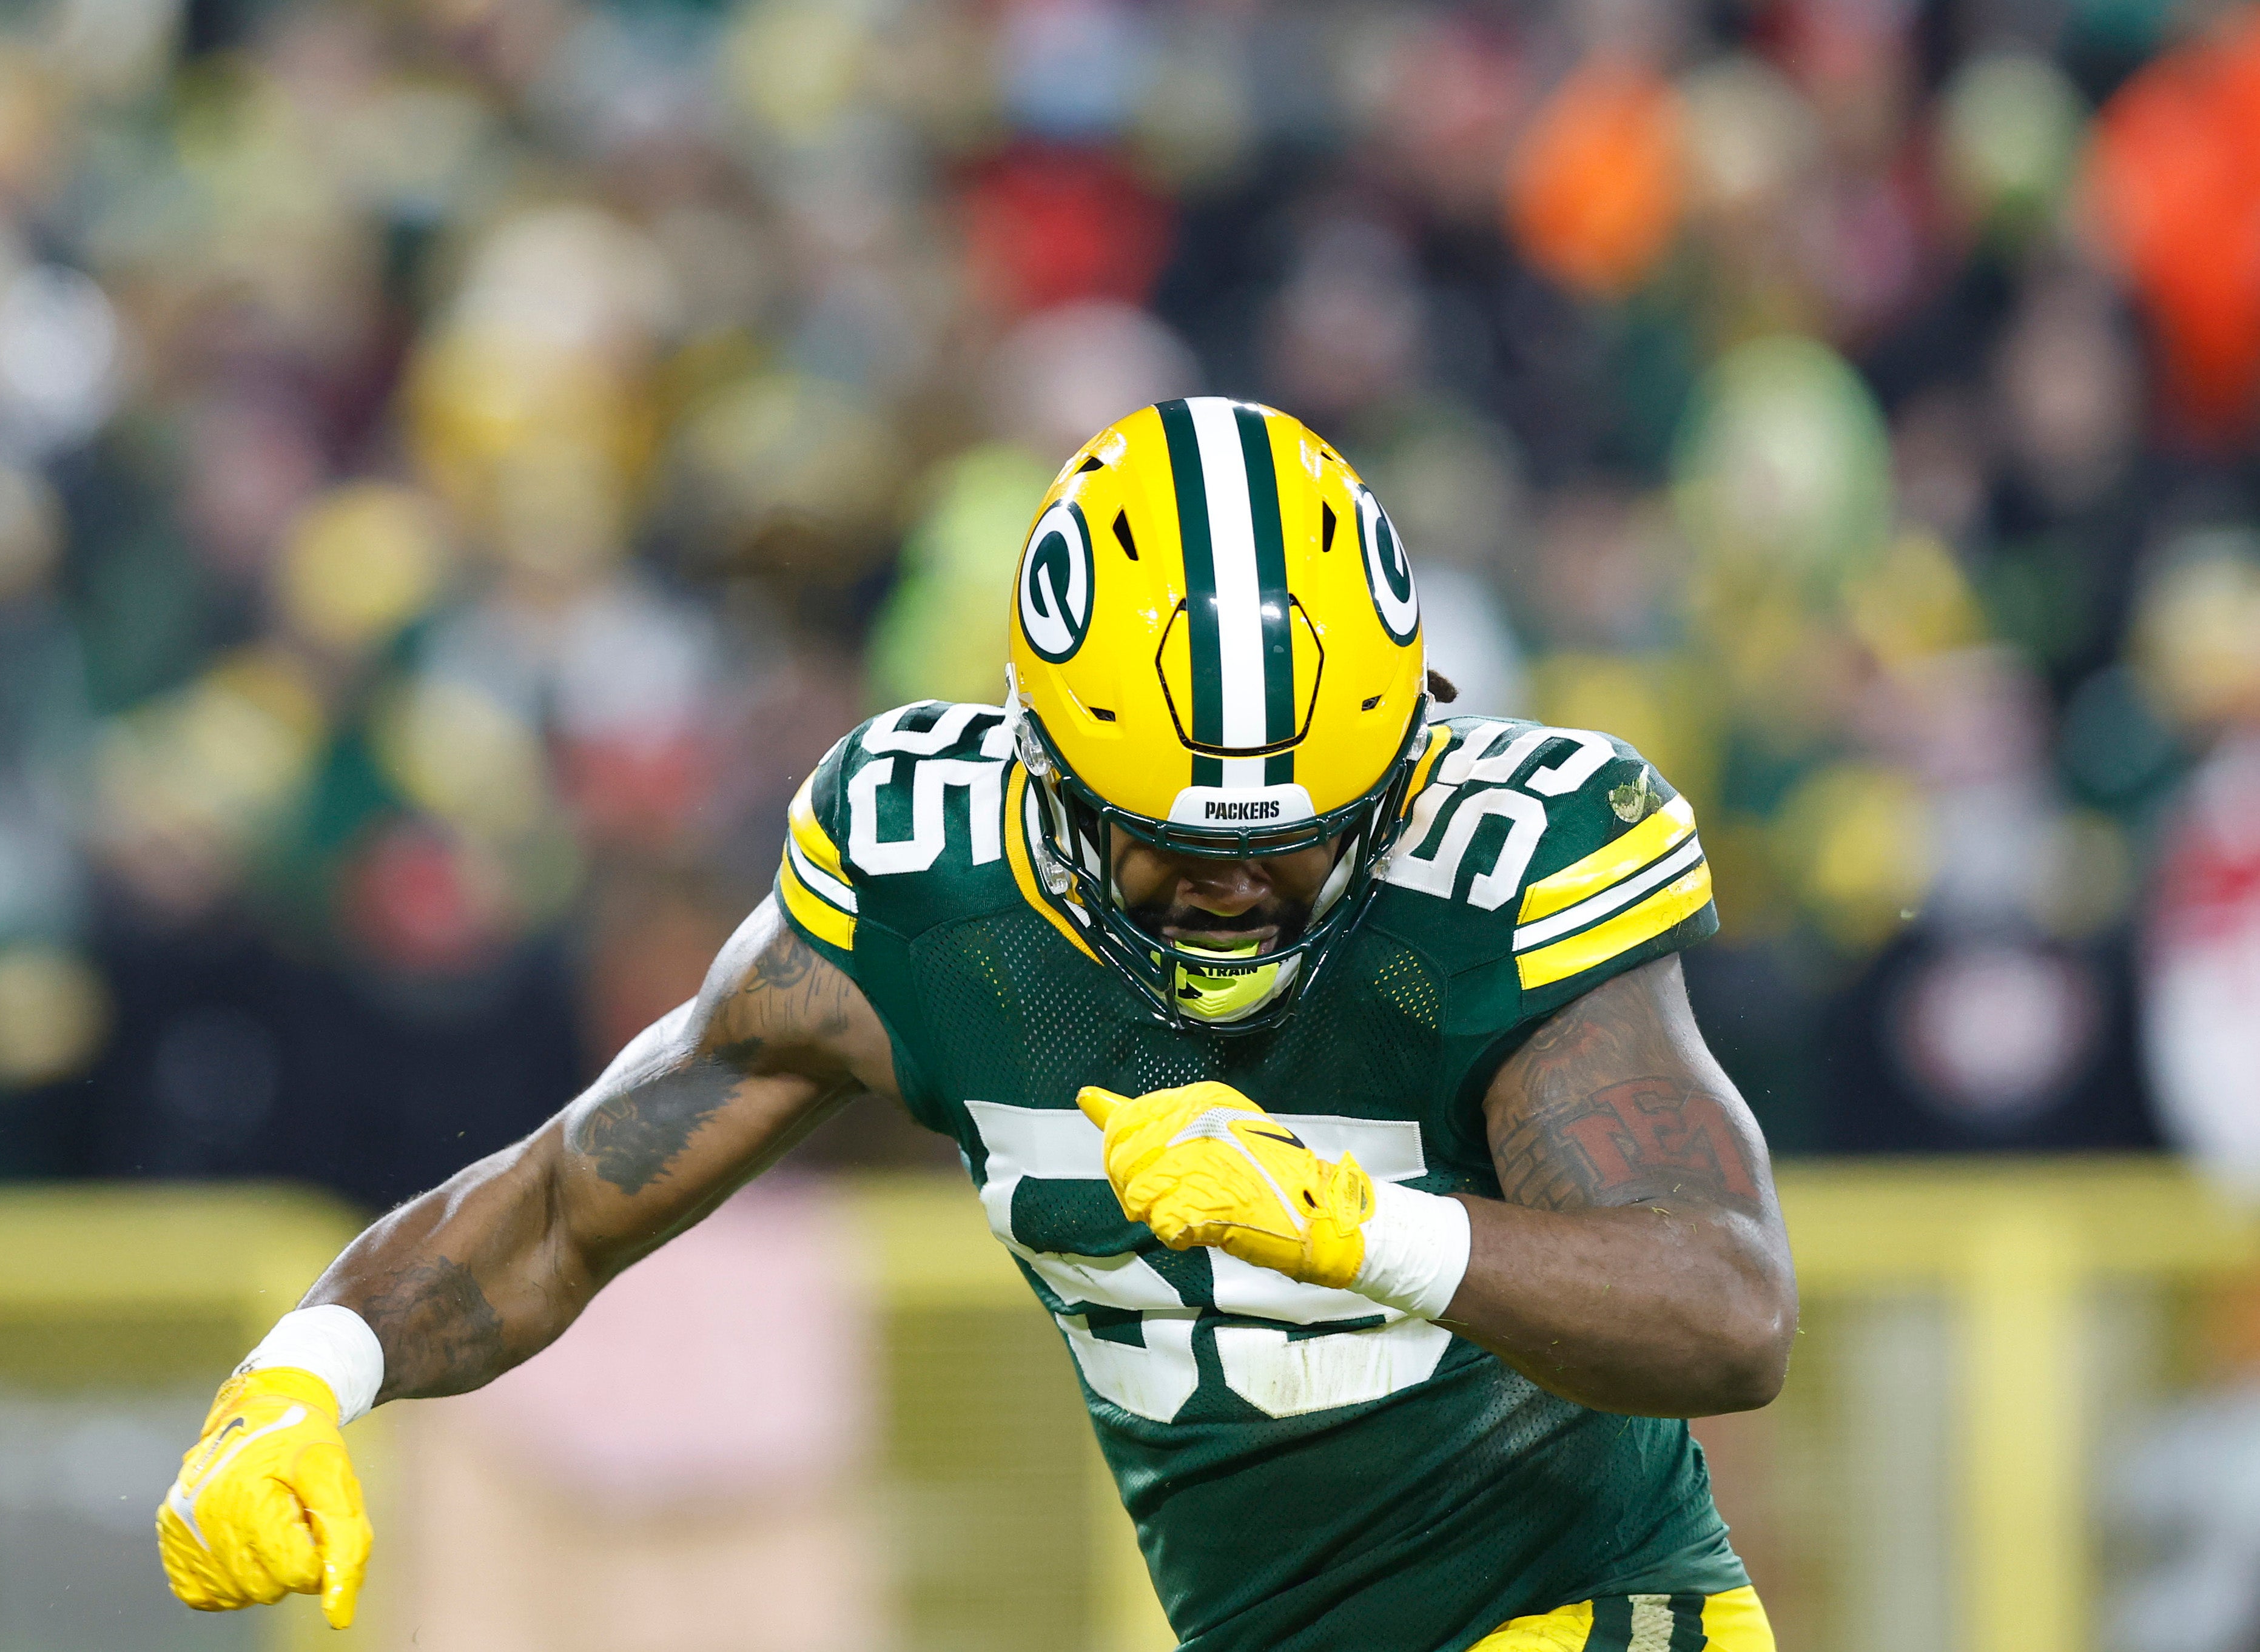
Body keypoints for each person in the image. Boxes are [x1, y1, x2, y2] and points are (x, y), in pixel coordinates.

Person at [157, 398, 1797, 1651]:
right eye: (1169, 835)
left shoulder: (1511, 863)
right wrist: (304, 1371)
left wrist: (1364, 1225)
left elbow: (1727, 1305)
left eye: (1288, 837)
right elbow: (573, 1193)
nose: (1231, 887)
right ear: (1042, 766)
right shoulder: (927, 885)